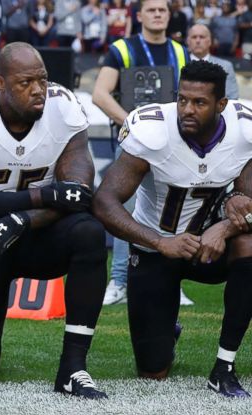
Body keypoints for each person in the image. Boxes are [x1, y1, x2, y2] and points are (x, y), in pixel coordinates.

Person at [0, 42, 107, 398]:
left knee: (89, 233)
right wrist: (43, 196)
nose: (38, 90)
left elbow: (78, 193)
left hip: (38, 235)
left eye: (42, 80)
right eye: (25, 82)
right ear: (0, 83)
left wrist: (24, 220)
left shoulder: (63, 108)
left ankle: (73, 367)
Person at [94, 60, 252, 397]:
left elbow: (249, 198)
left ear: (221, 105)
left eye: (199, 102)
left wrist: (224, 227)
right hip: (155, 250)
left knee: (249, 242)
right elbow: (104, 201)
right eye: (182, 100)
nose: (187, 110)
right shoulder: (152, 131)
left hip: (208, 247)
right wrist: (159, 241)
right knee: (153, 371)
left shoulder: (244, 129)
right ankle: (166, 329)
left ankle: (224, 366)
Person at [92, 0, 191, 307]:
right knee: (129, 210)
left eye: (163, 10)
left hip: (173, 144)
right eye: (152, 10)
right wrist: (132, 124)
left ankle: (175, 282)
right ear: (139, 15)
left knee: (175, 212)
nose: (158, 14)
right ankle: (119, 280)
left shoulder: (180, 51)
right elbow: (99, 94)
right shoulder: (122, 48)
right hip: (136, 145)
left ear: (169, 15)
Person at [187, 24, 238, 99]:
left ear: (210, 41)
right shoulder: (178, 64)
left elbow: (232, 98)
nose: (198, 41)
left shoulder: (225, 67)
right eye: (194, 37)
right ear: (188, 41)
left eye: (202, 37)